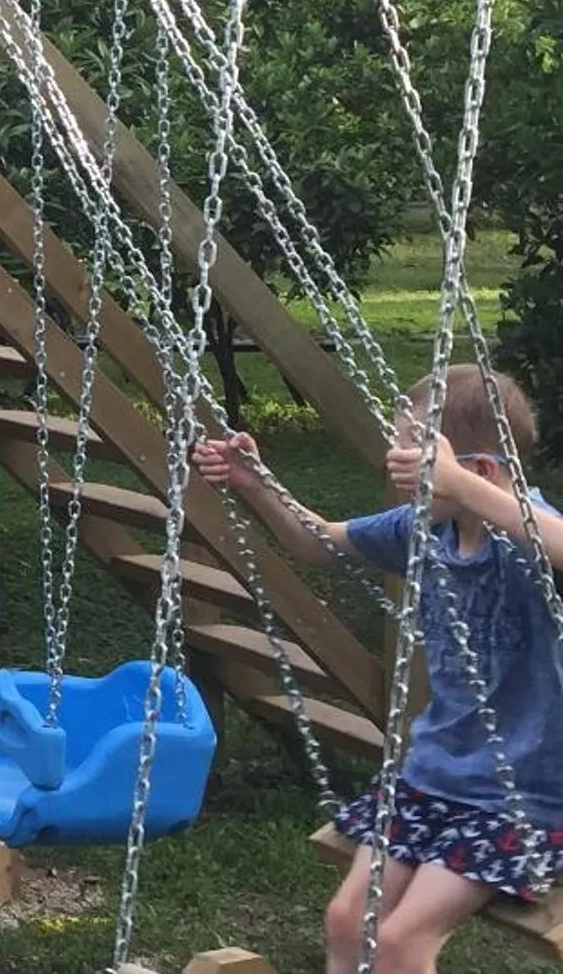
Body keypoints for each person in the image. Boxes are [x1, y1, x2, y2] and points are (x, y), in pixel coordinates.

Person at [192, 363, 563, 974]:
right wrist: (256, 485)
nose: (399, 478)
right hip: (432, 777)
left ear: (478, 471)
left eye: (416, 465)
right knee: (348, 919)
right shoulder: (428, 529)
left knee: (399, 943)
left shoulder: (526, 540)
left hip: (520, 800)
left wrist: (461, 485)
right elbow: (318, 541)